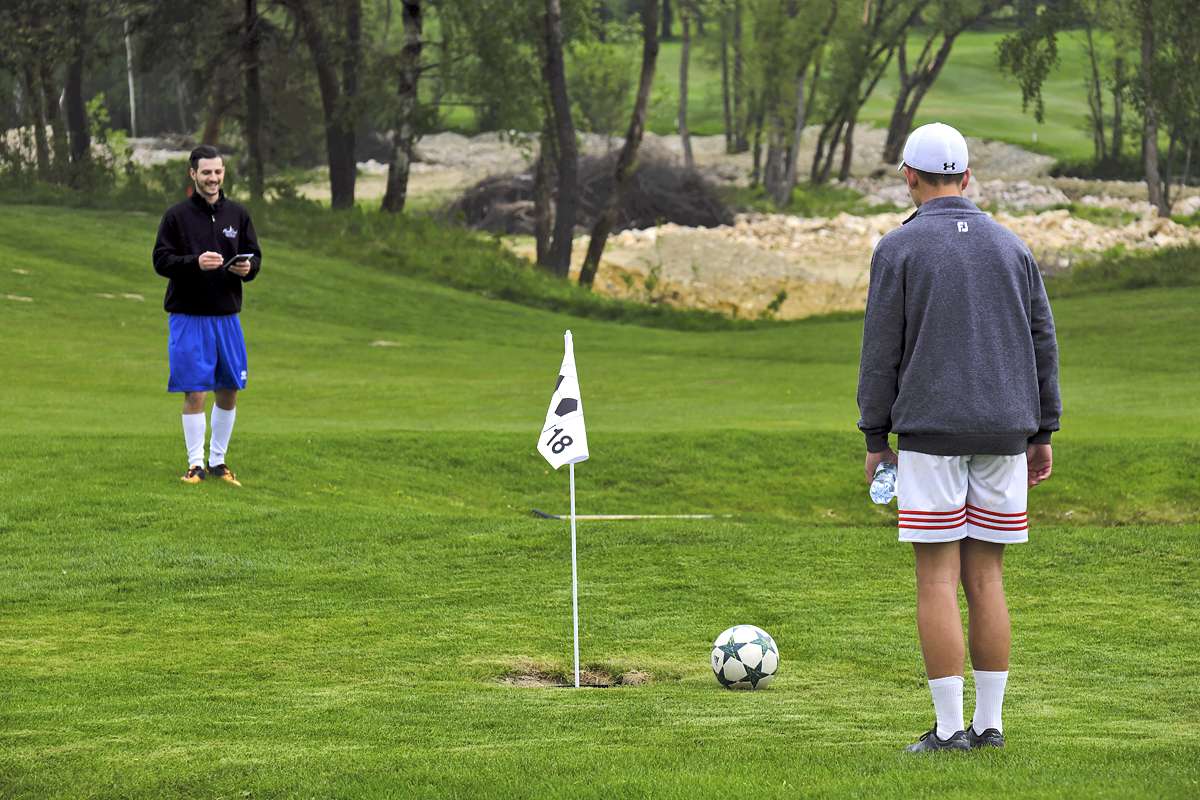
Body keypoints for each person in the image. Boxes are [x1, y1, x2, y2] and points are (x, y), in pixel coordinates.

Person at [856, 123, 1061, 752]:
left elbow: (880, 353)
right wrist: (1043, 429)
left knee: (937, 582)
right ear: (967, 177)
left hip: (931, 435)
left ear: (910, 178)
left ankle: (948, 731)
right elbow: (1041, 342)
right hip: (1006, 431)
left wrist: (874, 435)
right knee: (987, 580)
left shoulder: (899, 249)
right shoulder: (1012, 246)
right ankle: (990, 726)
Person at [153, 145, 262, 486]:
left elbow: (255, 256)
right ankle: (195, 465)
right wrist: (194, 263)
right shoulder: (176, 216)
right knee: (195, 390)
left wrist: (248, 268)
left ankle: (218, 462)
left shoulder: (238, 215)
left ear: (223, 173)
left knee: (229, 388)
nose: (212, 178)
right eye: (206, 173)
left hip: (227, 316)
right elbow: (161, 261)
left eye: (217, 172)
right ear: (193, 174)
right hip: (188, 315)